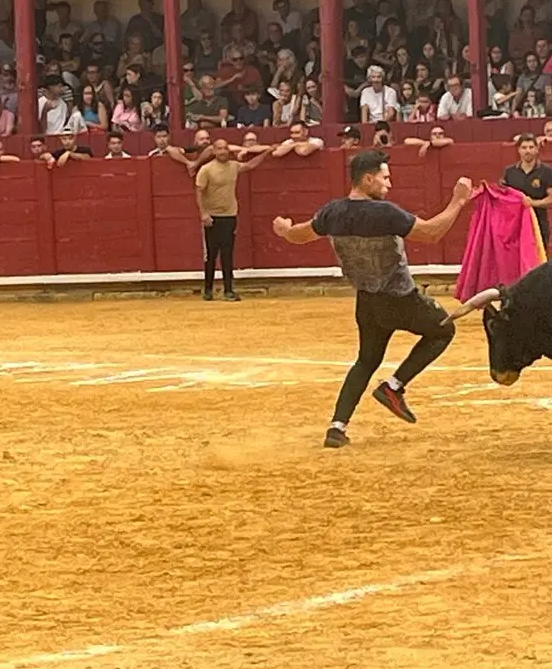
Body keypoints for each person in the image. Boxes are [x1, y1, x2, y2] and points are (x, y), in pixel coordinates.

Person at [272, 149, 473, 448]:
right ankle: (394, 386)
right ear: (368, 179)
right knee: (443, 330)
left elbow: (300, 235)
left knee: (366, 360)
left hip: (367, 301)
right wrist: (458, 200)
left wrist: (284, 230)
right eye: (384, 178)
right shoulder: (385, 213)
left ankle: (337, 427)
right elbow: (432, 233)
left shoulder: (332, 213)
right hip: (401, 299)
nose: (388, 184)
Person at [195, 138, 270, 301]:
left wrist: (266, 153)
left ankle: (228, 290)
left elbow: (250, 165)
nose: (223, 151)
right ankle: (208, 289)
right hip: (212, 217)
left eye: (225, 148)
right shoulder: (206, 170)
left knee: (227, 254)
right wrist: (203, 213)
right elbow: (199, 192)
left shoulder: (233, 166)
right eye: (219, 149)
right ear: (214, 151)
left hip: (229, 216)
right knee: (211, 255)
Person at [500, 133, 552, 251]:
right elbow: (502, 198)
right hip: (515, 225)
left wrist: (532, 203)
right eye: (524, 148)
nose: (528, 151)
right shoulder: (509, 172)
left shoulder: (546, 171)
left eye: (531, 147)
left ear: (537, 149)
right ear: (519, 150)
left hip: (538, 223)